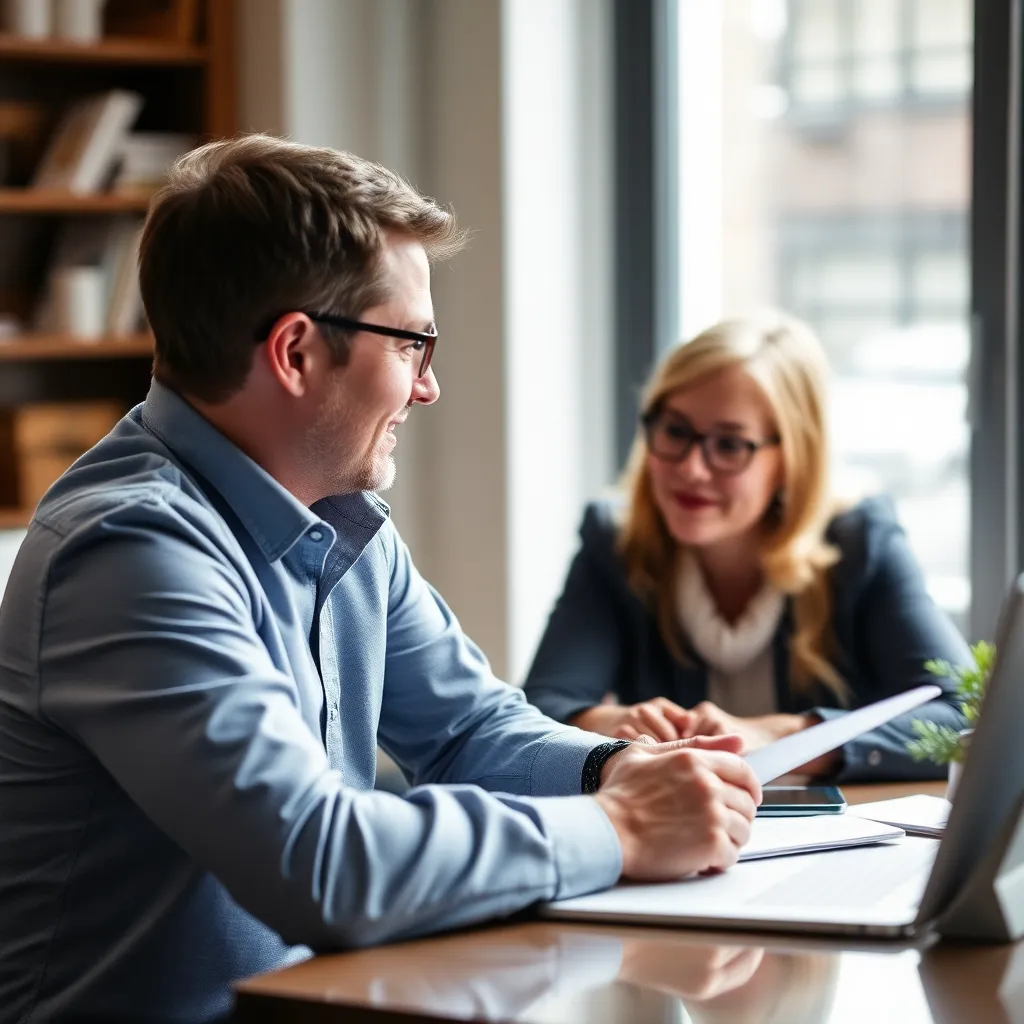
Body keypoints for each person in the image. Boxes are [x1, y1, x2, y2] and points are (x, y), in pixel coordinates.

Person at [0, 136, 761, 1024]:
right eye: (412, 344)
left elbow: (470, 728)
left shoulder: (339, 520)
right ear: (294, 352)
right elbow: (321, 863)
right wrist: (624, 826)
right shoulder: (131, 551)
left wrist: (618, 769)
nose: (428, 387)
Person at [523, 313, 970, 780]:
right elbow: (537, 708)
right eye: (675, 431)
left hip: (831, 841)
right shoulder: (614, 542)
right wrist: (608, 724)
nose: (693, 469)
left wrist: (786, 735)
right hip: (675, 836)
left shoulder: (860, 543)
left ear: (792, 458)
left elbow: (962, 717)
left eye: (730, 445)